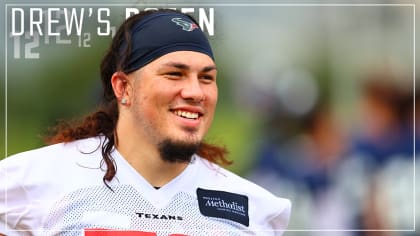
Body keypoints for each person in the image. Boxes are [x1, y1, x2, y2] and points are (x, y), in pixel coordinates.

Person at [0, 9, 291, 235]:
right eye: (174, 74)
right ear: (123, 88)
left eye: (206, 78)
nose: (195, 92)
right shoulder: (30, 181)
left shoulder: (253, 206)